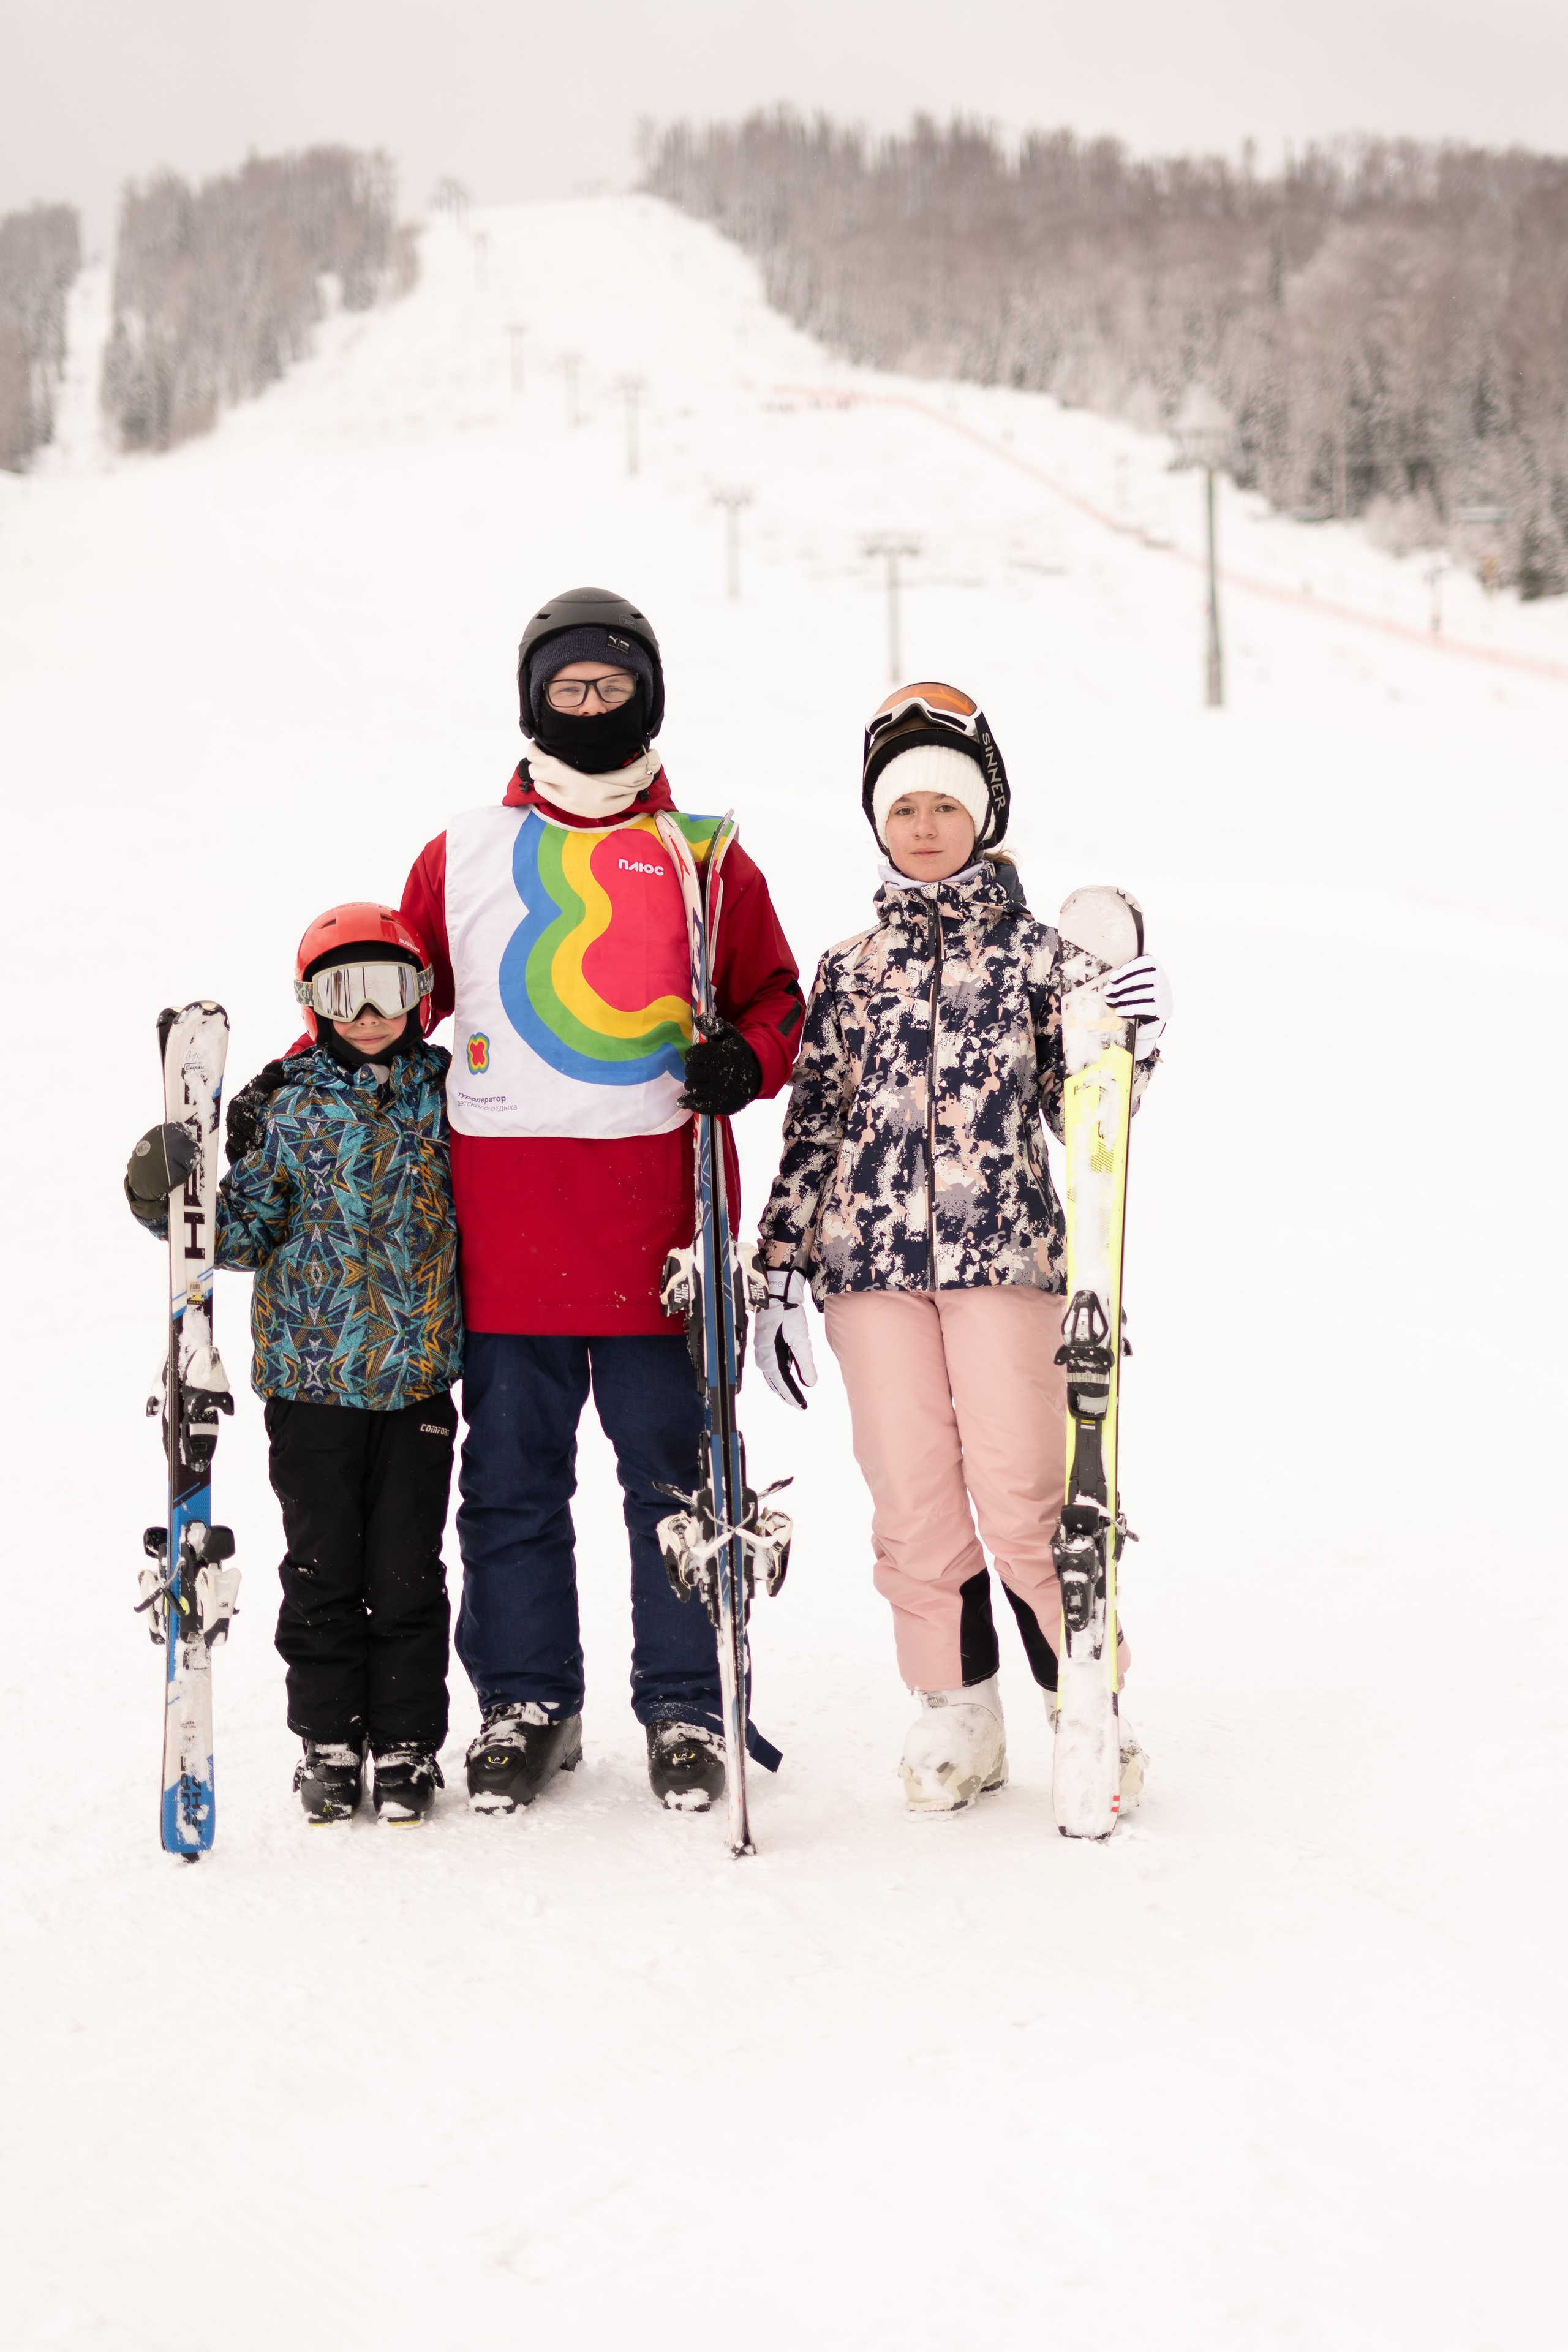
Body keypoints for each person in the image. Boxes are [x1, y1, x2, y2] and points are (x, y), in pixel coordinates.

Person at [394, 586, 804, 1815]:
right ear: (532, 700)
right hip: (508, 1240)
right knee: (510, 1485)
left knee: (676, 1482)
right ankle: (528, 1700)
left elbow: (776, 999)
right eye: (566, 688)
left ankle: (685, 1706)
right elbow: (383, 1008)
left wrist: (747, 1058)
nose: (587, 704)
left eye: (608, 685)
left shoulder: (706, 854)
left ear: (646, 696)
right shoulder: (460, 853)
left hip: (660, 1237)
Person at [752, 682, 1170, 1814]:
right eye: (903, 809)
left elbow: (1097, 1112)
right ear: (878, 826)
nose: (925, 825)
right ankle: (955, 1712)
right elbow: (817, 1122)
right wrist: (778, 1264)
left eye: (946, 803)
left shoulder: (1045, 956)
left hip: (1007, 1261)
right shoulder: (848, 969)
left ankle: (1086, 1706)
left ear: (985, 813)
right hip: (868, 1271)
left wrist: (1134, 1036)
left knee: (1029, 1491)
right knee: (913, 1499)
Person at [126, 904, 463, 1826]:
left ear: (420, 995)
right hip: (310, 1381)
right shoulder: (283, 1102)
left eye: (388, 989)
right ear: (311, 1003)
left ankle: (404, 1744)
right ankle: (327, 1738)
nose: (367, 1014)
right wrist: (170, 1204)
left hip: (418, 1377)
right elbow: (240, 1229)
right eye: (341, 993)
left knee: (408, 1571)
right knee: (322, 1568)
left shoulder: (450, 1089)